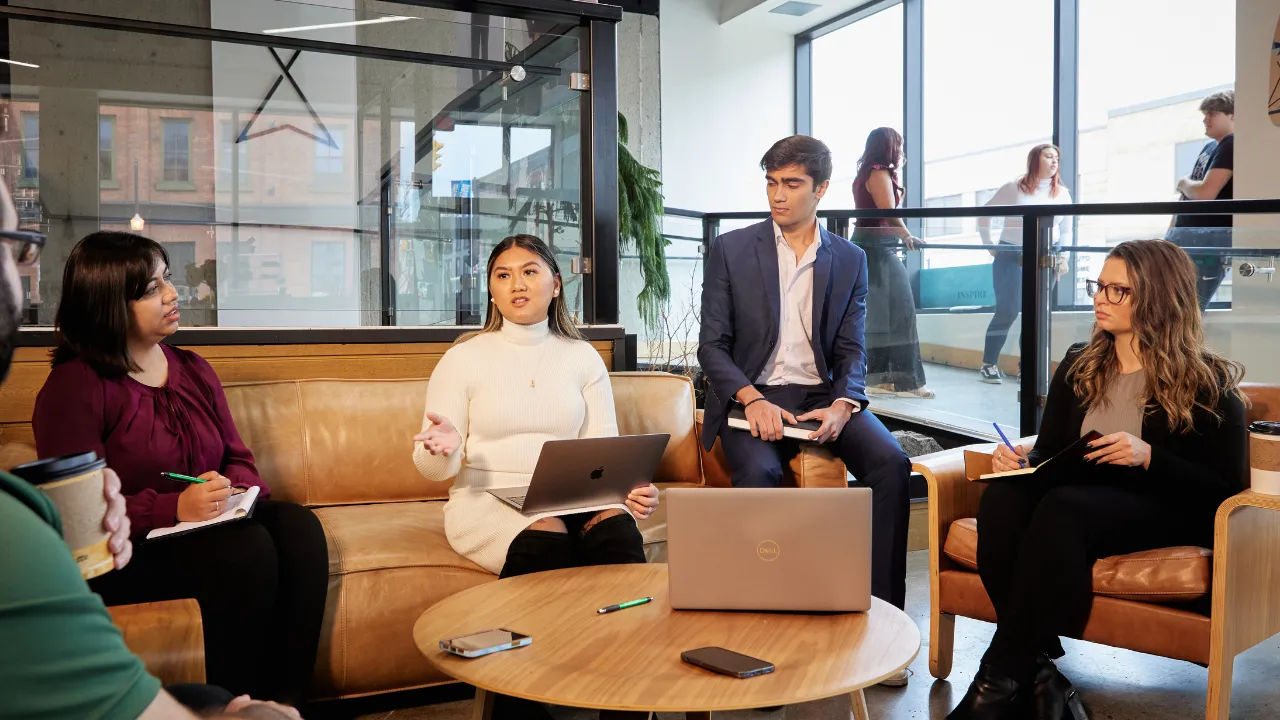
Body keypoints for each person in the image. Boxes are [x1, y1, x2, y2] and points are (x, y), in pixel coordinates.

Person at [0, 186, 300, 718]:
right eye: (150, 288)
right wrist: (173, 508)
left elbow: (238, 456)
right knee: (245, 551)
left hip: (209, 524)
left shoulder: (193, 369)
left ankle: (282, 699)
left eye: (166, 278)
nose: (171, 294)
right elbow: (82, 516)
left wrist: (232, 487)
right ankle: (237, 701)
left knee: (298, 531)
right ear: (109, 305)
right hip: (131, 552)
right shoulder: (77, 387)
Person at [948, 239, 1247, 720]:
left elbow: (1228, 490)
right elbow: (1049, 453)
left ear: (1158, 298)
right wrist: (1021, 463)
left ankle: (994, 683)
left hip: (1163, 507)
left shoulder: (1209, 382)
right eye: (1099, 286)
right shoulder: (1080, 363)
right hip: (1081, 499)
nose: (1100, 298)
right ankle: (1037, 671)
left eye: (1118, 290)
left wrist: (1151, 457)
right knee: (1004, 497)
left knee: (1065, 506)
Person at [413, 233, 659, 720]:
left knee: (614, 527)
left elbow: (603, 452)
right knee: (547, 534)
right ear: (491, 291)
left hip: (568, 492)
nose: (516, 284)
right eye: (502, 275)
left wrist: (627, 490)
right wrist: (446, 448)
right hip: (486, 497)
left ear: (556, 284)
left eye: (529, 271)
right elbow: (433, 468)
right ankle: (516, 704)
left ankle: (632, 697)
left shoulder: (582, 357)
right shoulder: (464, 357)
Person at [697, 136, 913, 682]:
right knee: (758, 472)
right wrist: (750, 398)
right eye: (771, 182)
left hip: (823, 397)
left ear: (821, 189)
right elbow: (712, 346)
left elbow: (852, 348)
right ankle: (761, 631)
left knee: (892, 465)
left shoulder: (850, 258)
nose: (778, 195)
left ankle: (882, 621)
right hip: (754, 395)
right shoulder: (732, 249)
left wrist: (845, 401)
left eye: (791, 184)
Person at [976, 144, 1074, 385]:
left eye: (1057, 158)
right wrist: (989, 243)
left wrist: (1064, 258)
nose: (1054, 161)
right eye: (1049, 156)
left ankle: (1027, 366)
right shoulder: (1014, 188)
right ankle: (989, 364)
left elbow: (1067, 228)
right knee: (1007, 310)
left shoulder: (1062, 193)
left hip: (1045, 256)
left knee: (1036, 313)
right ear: (1034, 160)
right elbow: (983, 213)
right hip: (1010, 254)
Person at [850, 127, 933, 398]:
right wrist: (907, 235)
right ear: (890, 146)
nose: (902, 151)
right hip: (877, 248)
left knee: (882, 316)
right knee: (901, 312)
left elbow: (884, 209)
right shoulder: (878, 172)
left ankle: (883, 379)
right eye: (899, 145)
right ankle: (906, 383)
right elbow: (888, 212)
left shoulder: (871, 172)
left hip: (871, 246)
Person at [1168, 89, 1235, 312]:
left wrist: (1183, 182)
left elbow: (1205, 193)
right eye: (1205, 113)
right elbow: (1187, 198)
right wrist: (1169, 235)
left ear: (1232, 115)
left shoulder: (1232, 143)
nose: (1205, 119)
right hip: (1185, 237)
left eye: (1212, 113)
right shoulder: (1211, 147)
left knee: (1187, 310)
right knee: (1169, 306)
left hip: (1206, 242)